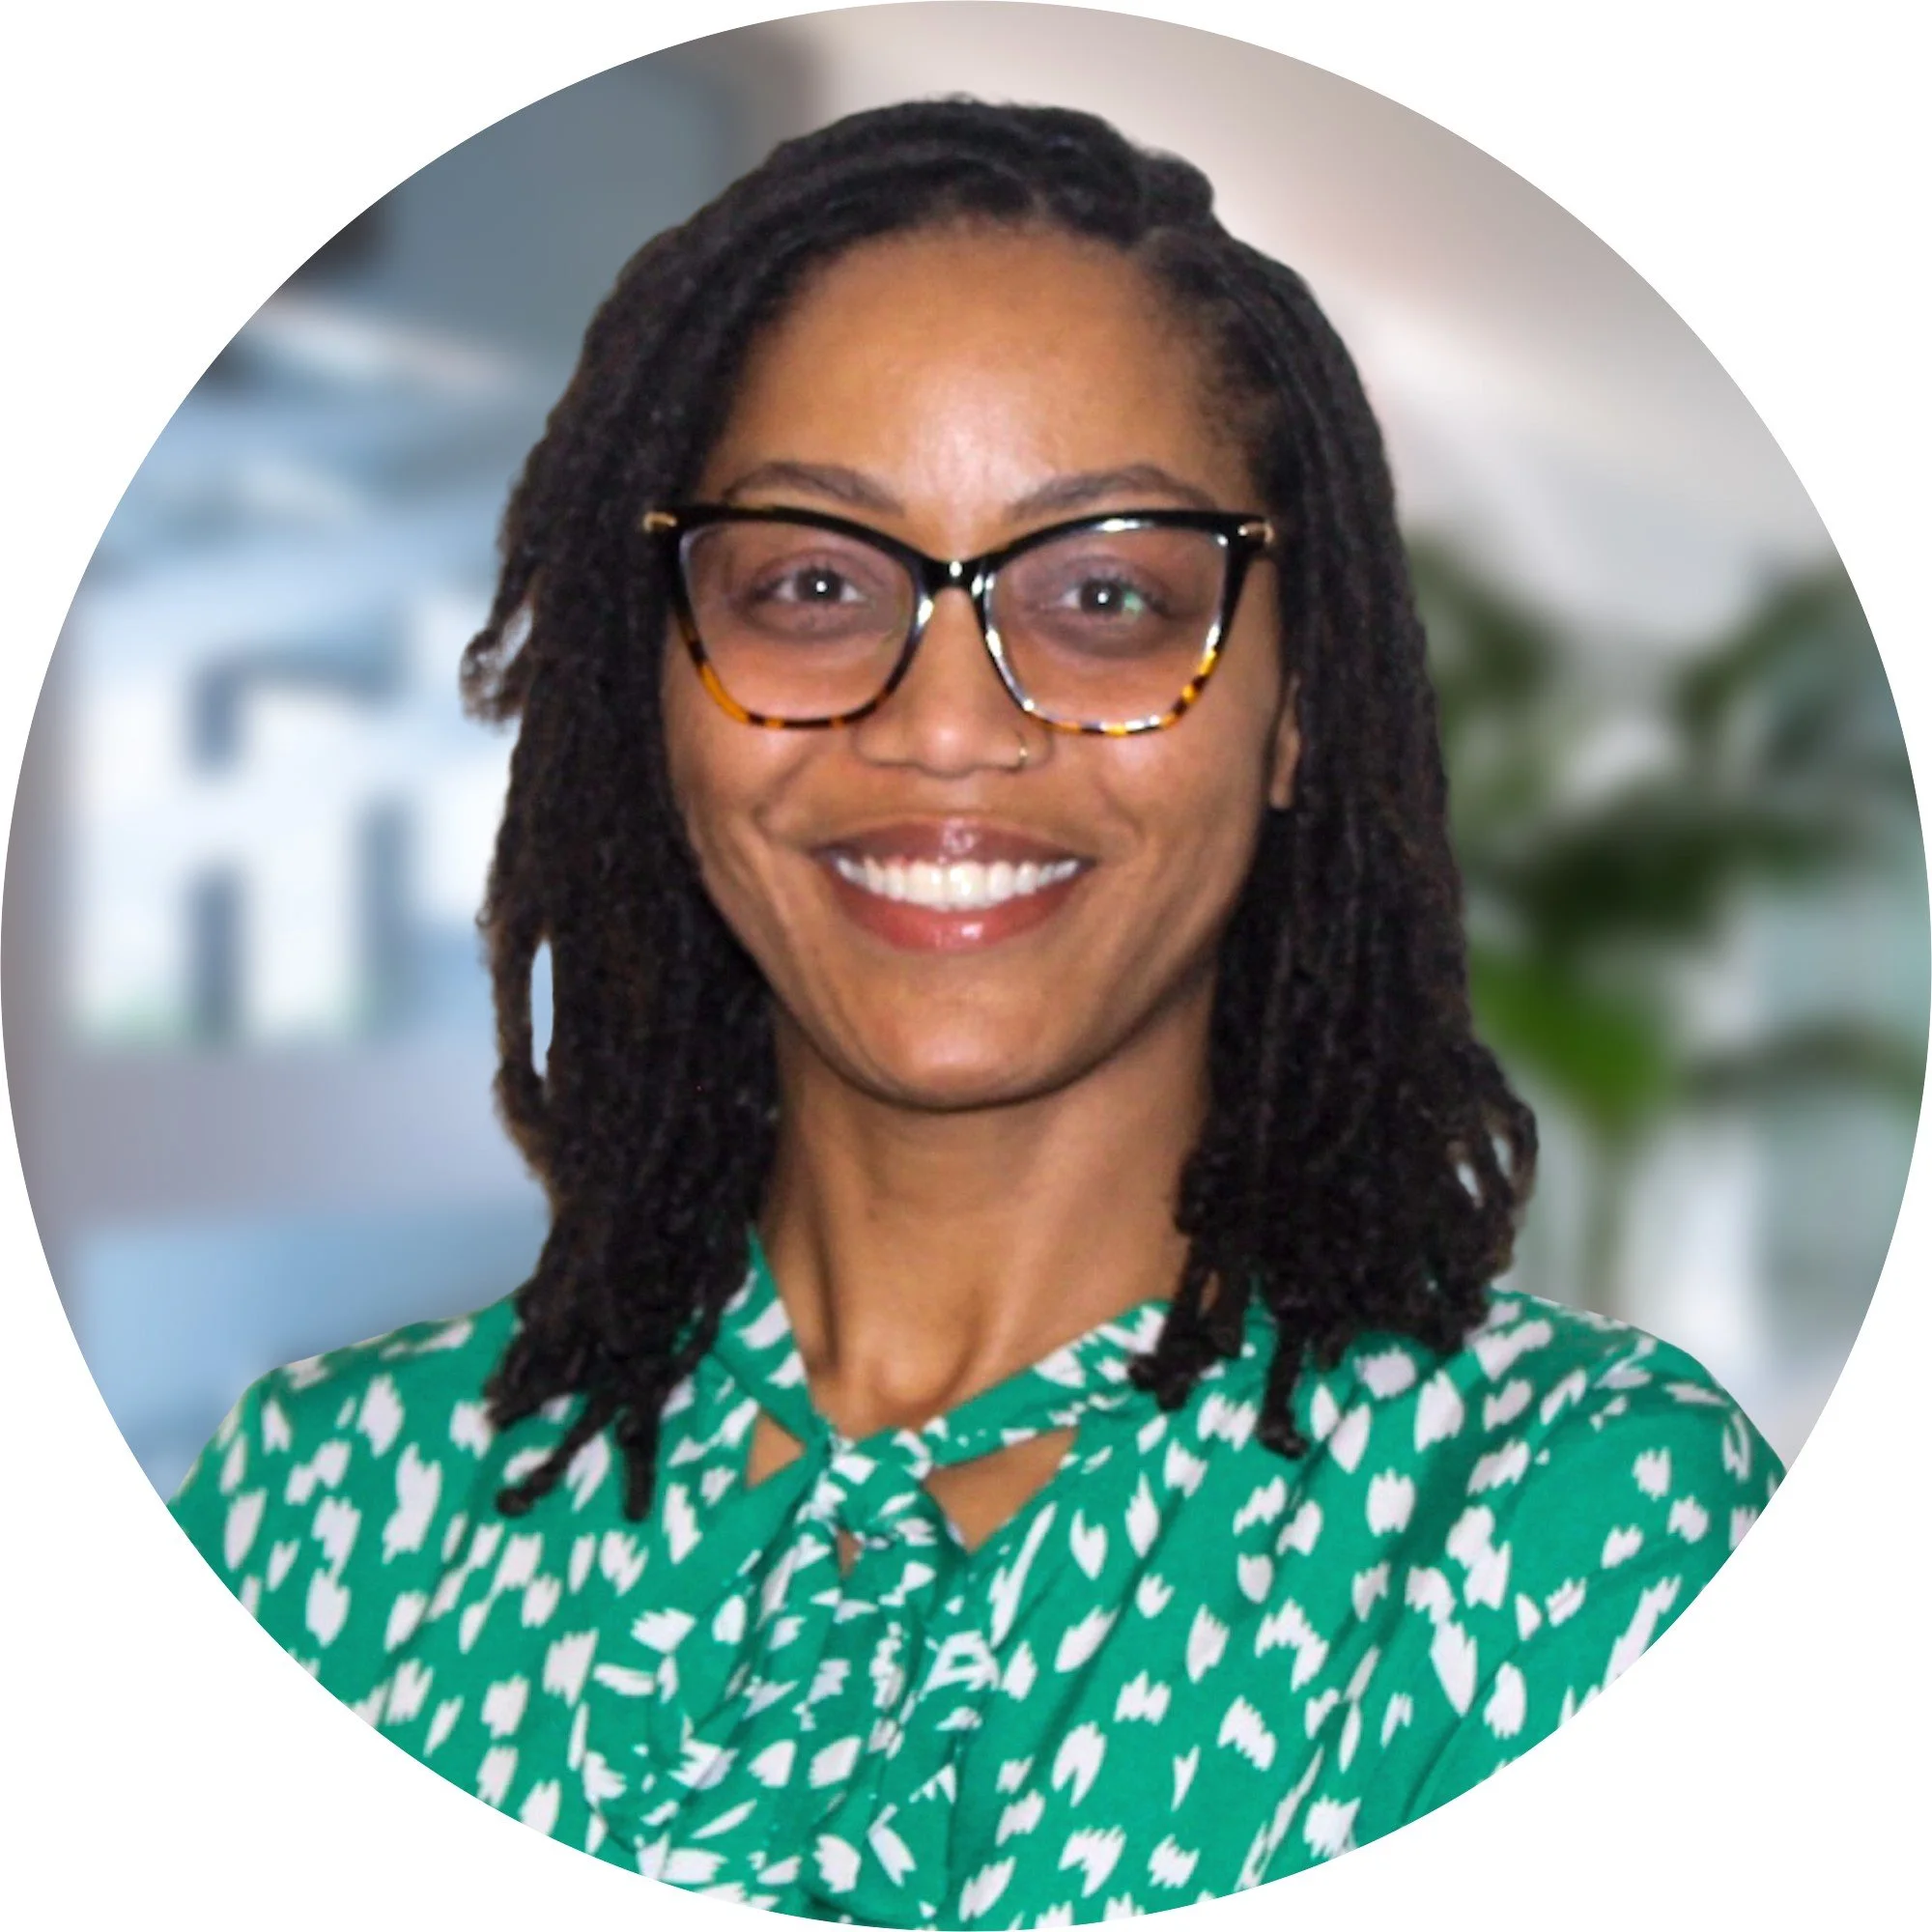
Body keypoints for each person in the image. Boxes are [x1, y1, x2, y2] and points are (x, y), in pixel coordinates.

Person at [169, 99, 1781, 1924]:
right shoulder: (310, 1529)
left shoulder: (1576, 1541)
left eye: (1103, 593)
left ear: (1299, 711)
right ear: (662, 691)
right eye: (810, 583)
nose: (943, 725)